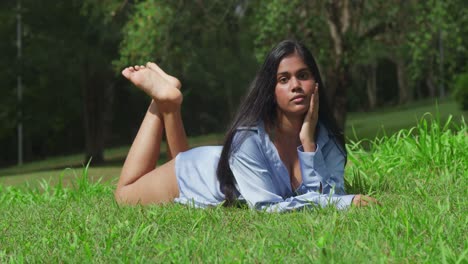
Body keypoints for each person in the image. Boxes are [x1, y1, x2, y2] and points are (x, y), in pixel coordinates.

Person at [115, 39, 378, 212]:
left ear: (316, 84)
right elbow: (267, 207)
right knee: (124, 195)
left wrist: (308, 143)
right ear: (271, 90)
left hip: (221, 167)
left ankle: (169, 102)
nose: (296, 85)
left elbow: (329, 195)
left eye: (303, 76)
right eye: (284, 79)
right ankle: (162, 103)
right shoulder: (248, 139)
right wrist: (344, 203)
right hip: (194, 173)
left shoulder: (326, 138)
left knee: (178, 155)